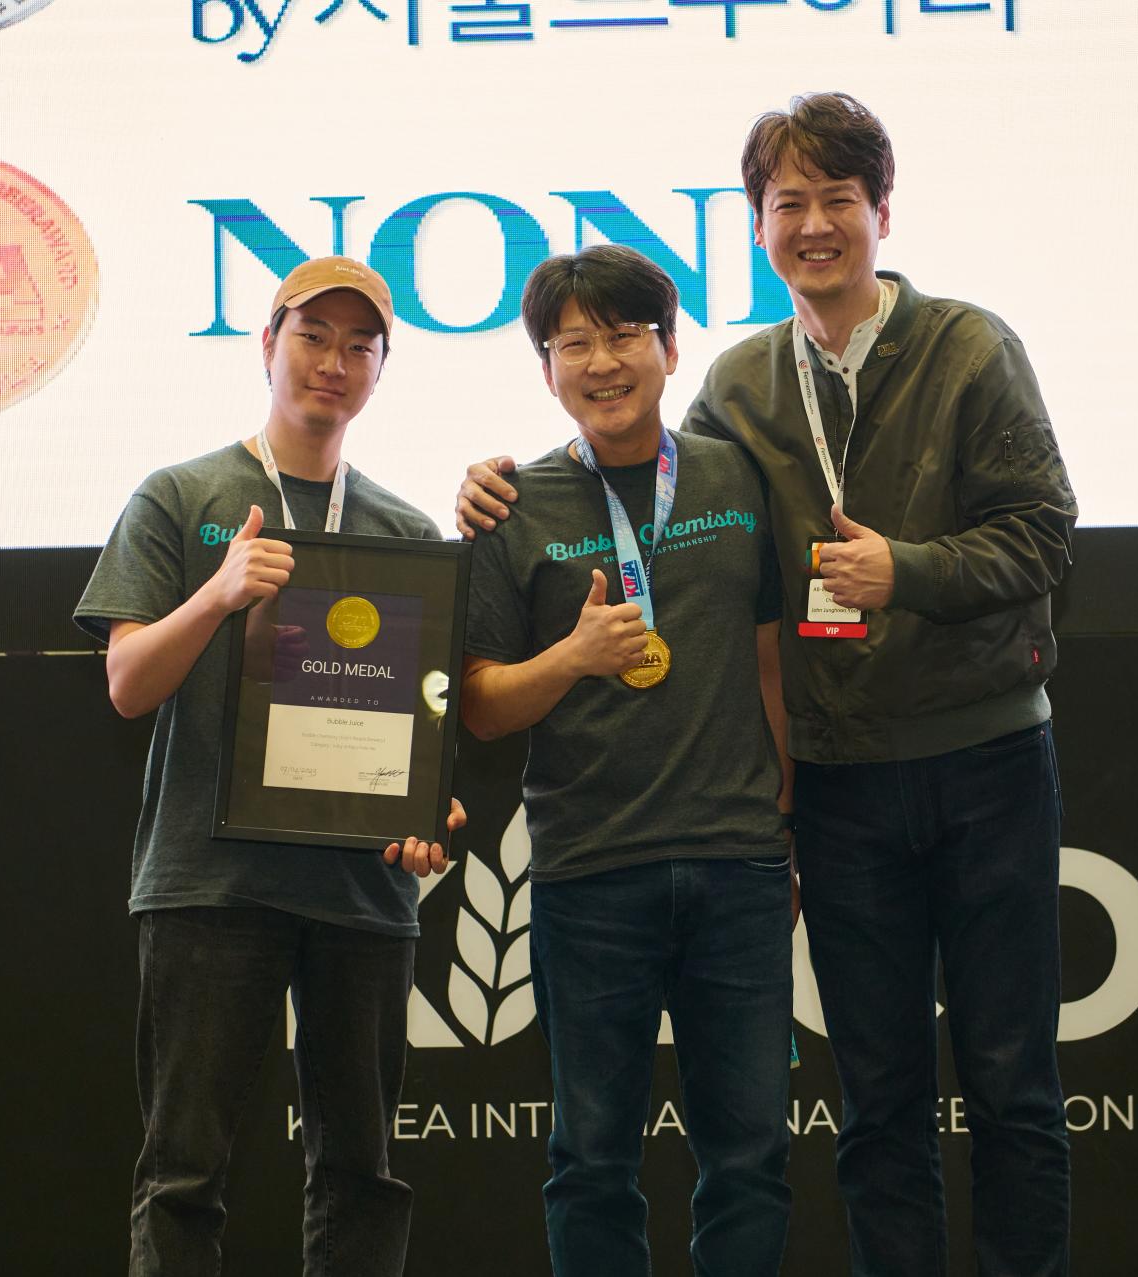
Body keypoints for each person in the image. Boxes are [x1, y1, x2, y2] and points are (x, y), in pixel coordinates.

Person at [457, 95, 1079, 1276]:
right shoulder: (741, 385)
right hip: (840, 786)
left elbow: (1045, 535)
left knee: (1012, 1081)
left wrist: (908, 570)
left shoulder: (971, 347)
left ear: (882, 211)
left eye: (839, 198)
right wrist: (493, 481)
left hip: (986, 757)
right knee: (879, 1099)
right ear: (755, 227)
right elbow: (634, 468)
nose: (815, 225)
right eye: (789, 203)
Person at [75, 255, 465, 1277]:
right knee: (184, 1174)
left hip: (360, 894)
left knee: (362, 1176)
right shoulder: (181, 495)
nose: (334, 361)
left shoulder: (403, 531)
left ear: (380, 369)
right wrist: (216, 594)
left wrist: (427, 804)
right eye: (313, 336)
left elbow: (416, 722)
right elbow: (126, 684)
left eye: (359, 346)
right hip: (212, 882)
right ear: (267, 343)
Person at [459, 244, 796, 1277]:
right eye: (574, 344)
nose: (602, 362)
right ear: (546, 369)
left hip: (738, 866)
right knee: (592, 1161)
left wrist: (787, 824)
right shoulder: (510, 505)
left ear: (671, 348)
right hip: (589, 871)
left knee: (750, 1157)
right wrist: (571, 657)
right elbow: (478, 705)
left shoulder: (737, 474)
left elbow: (771, 660)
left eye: (624, 335)